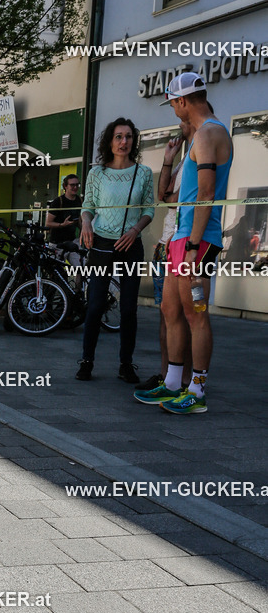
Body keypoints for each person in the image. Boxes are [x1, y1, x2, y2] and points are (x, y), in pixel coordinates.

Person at [134, 72, 232, 415]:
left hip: (199, 240)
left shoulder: (211, 133)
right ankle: (173, 383)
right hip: (183, 237)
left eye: (173, 104)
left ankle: (198, 391)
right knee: (170, 310)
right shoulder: (198, 136)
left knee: (196, 314)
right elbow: (175, 196)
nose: (173, 111)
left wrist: (191, 248)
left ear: (182, 101)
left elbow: (206, 194)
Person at [75, 118, 154, 382]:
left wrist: (134, 230)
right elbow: (88, 205)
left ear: (134, 141)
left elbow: (149, 209)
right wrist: (86, 222)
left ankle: (126, 364)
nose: (124, 142)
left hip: (131, 245)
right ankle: (87, 361)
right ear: (110, 141)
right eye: (119, 136)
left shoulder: (142, 173)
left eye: (129, 137)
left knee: (129, 308)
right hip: (102, 245)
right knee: (96, 304)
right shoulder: (97, 173)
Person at [137, 121, 194, 393]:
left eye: (183, 119)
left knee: (186, 318)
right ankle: (166, 375)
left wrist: (170, 196)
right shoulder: (184, 159)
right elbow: (163, 196)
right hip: (165, 246)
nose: (179, 123)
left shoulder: (200, 155)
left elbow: (175, 199)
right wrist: (168, 161)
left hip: (182, 245)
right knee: (167, 317)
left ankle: (185, 380)